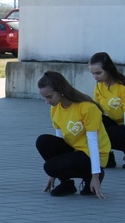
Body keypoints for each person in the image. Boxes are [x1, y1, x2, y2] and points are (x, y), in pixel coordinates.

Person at [36, 71, 111, 199]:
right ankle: (66, 184)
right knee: (43, 141)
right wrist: (55, 173)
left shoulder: (87, 108)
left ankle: (91, 176)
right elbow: (59, 140)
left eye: (49, 97)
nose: (47, 101)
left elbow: (93, 142)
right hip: (76, 150)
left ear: (61, 91)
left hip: (93, 153)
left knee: (49, 166)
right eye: (45, 98)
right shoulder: (55, 108)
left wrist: (95, 176)